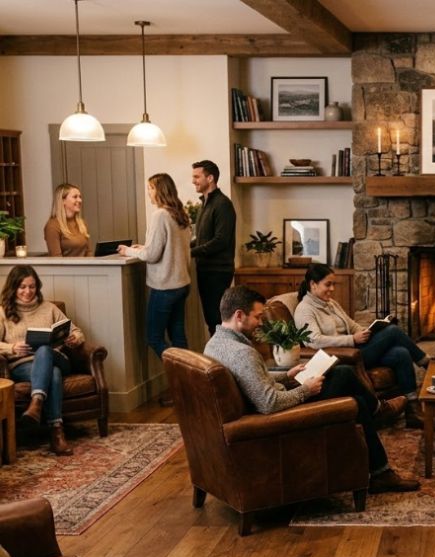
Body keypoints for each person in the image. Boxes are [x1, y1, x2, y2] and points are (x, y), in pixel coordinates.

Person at [203, 286, 418, 494]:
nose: (260, 323)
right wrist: (306, 390)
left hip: (266, 405)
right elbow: (268, 403)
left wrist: (288, 376)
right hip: (274, 417)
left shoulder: (214, 343)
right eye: (257, 317)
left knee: (355, 398)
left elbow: (253, 380)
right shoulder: (242, 353)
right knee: (344, 374)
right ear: (239, 315)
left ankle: (380, 469)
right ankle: (379, 413)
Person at [294, 263, 430, 429]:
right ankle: (427, 363)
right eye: (327, 284)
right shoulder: (304, 309)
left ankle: (412, 410)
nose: (332, 289)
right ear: (313, 284)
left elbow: (351, 325)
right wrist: (352, 339)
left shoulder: (331, 304)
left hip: (356, 350)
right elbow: (313, 341)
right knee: (393, 331)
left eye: (333, 284)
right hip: (341, 357)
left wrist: (366, 332)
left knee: (401, 353)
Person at [0, 265, 85, 455]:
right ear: (13, 287)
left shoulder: (49, 308)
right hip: (22, 365)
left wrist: (74, 339)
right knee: (53, 374)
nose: (27, 292)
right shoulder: (3, 312)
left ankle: (36, 404)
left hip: (58, 358)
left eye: (32, 287)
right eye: (22, 287)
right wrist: (11, 347)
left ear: (37, 287)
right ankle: (56, 433)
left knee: (45, 350)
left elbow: (78, 332)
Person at [118, 173, 192, 358]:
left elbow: (151, 255)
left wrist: (128, 251)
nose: (148, 192)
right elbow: (169, 247)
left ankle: (179, 374)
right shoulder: (180, 214)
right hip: (181, 284)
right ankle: (189, 380)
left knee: (154, 338)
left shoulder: (160, 215)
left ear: (160, 191)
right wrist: (143, 247)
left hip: (165, 288)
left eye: (150, 188)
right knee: (178, 338)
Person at [190, 160, 236, 335]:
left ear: (210, 178)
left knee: (216, 319)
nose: (193, 181)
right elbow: (202, 238)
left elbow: (221, 240)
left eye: (197, 176)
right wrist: (183, 248)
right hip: (206, 269)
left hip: (217, 270)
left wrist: (190, 252)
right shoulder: (205, 203)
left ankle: (220, 359)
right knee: (211, 319)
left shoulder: (222, 204)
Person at [44, 183, 90, 257]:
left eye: (80, 197)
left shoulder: (81, 223)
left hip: (85, 268)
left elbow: (88, 253)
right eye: (75, 197)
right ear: (63, 201)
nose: (80, 200)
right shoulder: (53, 226)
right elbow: (56, 258)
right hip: (66, 268)